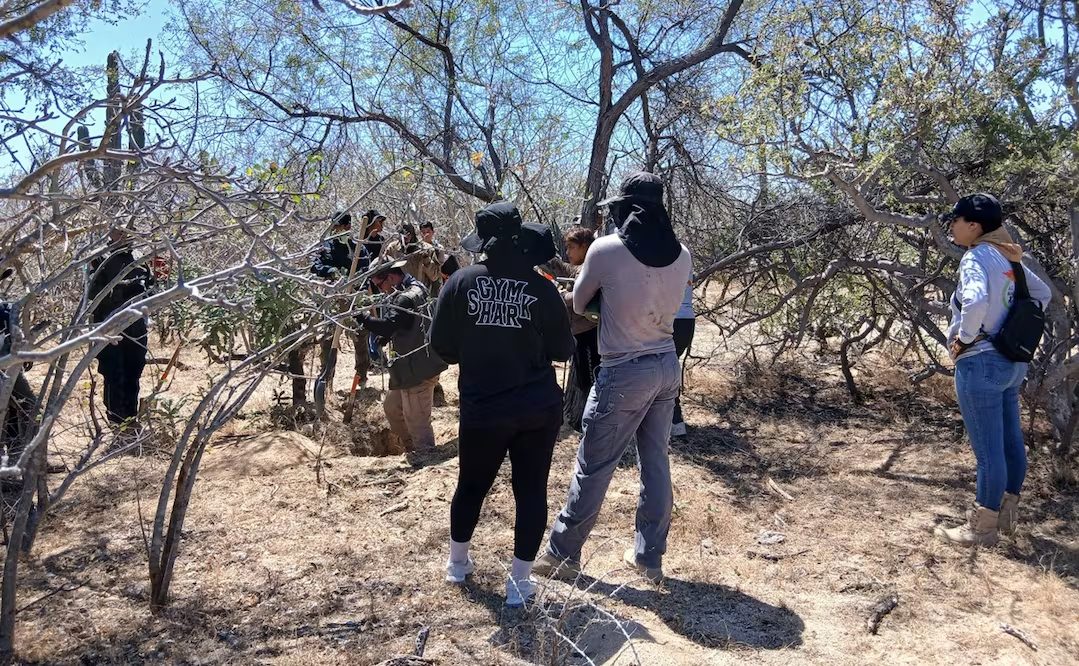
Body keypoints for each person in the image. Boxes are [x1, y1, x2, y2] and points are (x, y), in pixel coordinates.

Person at [533, 171, 691, 583]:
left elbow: (581, 302)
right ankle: (649, 558)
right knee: (655, 462)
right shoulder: (683, 254)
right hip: (666, 364)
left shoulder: (605, 249)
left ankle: (562, 556)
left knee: (594, 464)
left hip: (624, 370)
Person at [430, 201, 575, 607]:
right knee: (531, 492)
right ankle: (520, 583)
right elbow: (563, 350)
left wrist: (474, 348)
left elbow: (441, 346)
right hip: (535, 407)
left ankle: (458, 566)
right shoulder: (543, 287)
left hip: (483, 408)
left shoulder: (459, 282)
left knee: (471, 485)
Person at [934, 193, 1051, 547]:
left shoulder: (975, 257)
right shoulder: (1008, 255)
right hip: (1012, 362)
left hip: (981, 360)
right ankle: (1006, 518)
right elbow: (1043, 294)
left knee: (988, 451)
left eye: (955, 220)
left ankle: (981, 530)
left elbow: (976, 300)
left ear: (974, 225)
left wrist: (965, 339)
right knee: (1011, 442)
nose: (951, 226)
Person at [355, 259, 447, 451]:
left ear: (390, 276)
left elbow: (391, 323)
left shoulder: (405, 297)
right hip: (407, 368)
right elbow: (403, 322)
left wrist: (363, 319)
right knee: (392, 408)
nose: (379, 289)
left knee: (417, 422)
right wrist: (388, 335)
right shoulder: (414, 286)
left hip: (419, 369)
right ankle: (411, 448)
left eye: (379, 284)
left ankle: (425, 457)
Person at [89, 228, 153, 446]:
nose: (127, 236)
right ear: (112, 233)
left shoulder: (140, 260)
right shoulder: (100, 258)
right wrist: (123, 294)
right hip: (110, 328)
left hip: (137, 328)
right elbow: (93, 296)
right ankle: (117, 424)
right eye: (122, 232)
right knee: (114, 374)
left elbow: (151, 290)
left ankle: (131, 418)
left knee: (134, 372)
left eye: (131, 232)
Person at [308, 211, 372, 394]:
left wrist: (357, 292)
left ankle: (362, 379)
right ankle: (326, 381)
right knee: (328, 340)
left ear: (348, 227)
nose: (335, 229)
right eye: (333, 226)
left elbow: (366, 273)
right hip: (332, 301)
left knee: (360, 337)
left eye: (338, 226)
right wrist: (332, 271)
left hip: (355, 300)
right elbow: (315, 266)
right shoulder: (325, 247)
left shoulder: (358, 248)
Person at [671, 279, 696, 437]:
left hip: (667, 318)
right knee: (670, 368)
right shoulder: (684, 254)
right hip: (686, 320)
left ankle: (674, 420)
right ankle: (676, 423)